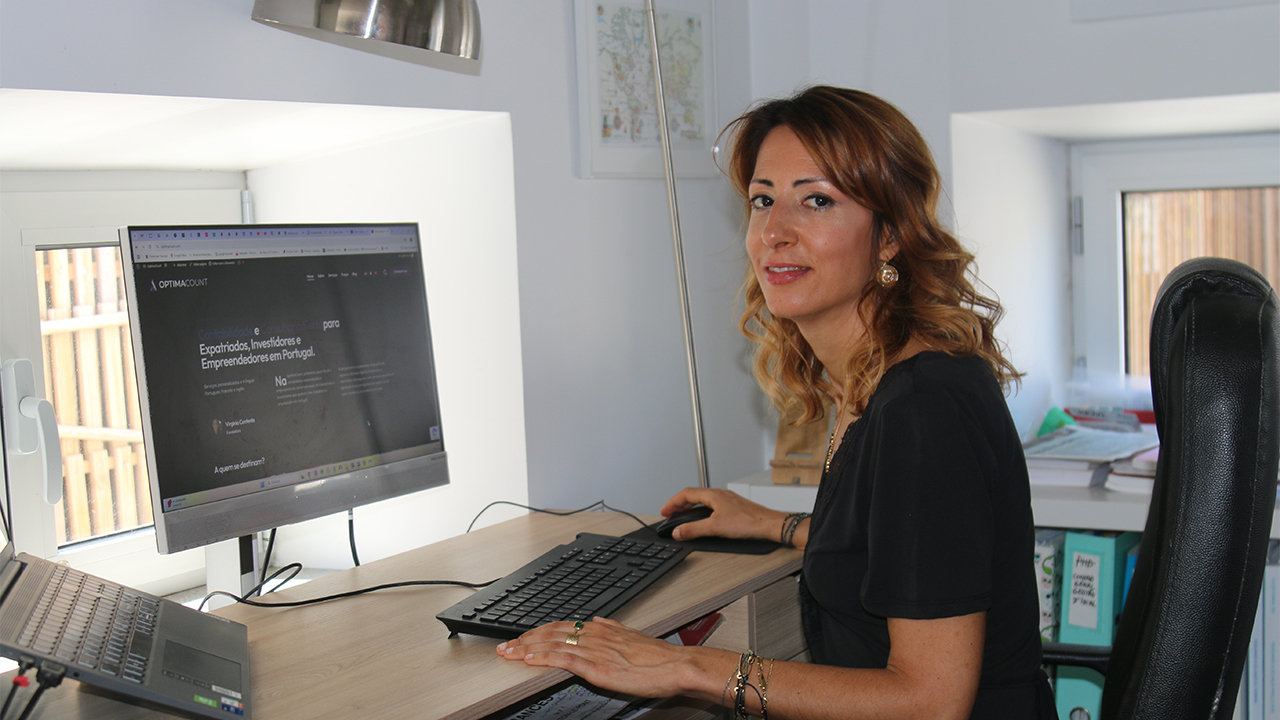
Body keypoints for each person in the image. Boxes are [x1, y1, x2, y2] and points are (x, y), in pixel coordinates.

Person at [498, 85, 1056, 720]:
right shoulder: (880, 377)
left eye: (817, 201)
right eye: (763, 200)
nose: (774, 232)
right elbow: (912, 550)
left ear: (890, 235)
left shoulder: (923, 409)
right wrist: (777, 525)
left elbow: (931, 704)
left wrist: (686, 666)